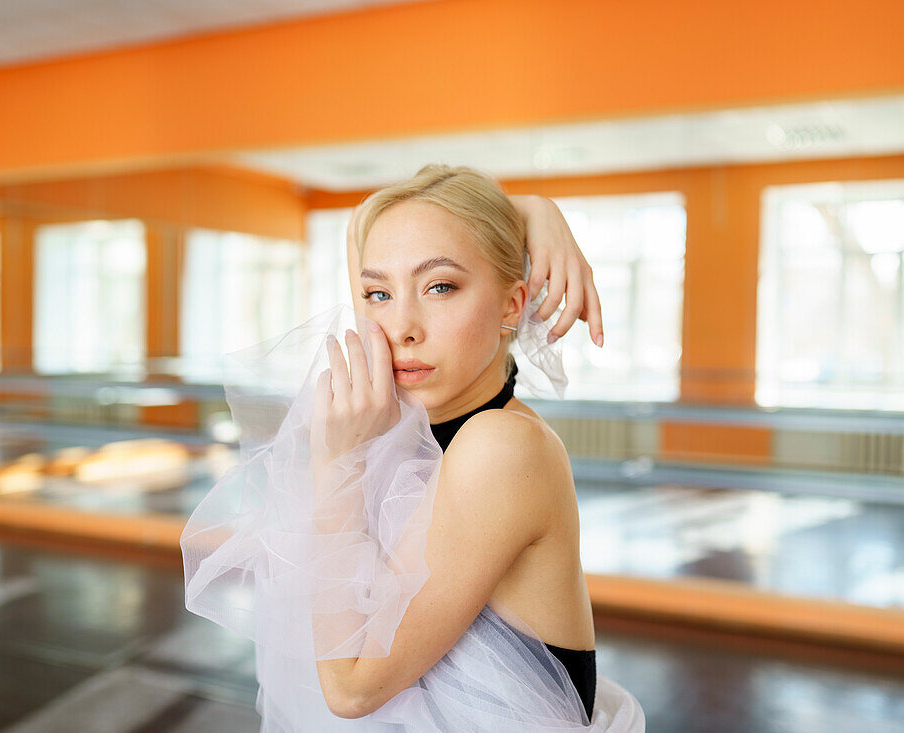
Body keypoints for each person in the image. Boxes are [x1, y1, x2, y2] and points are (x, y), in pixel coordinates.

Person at [181, 164, 645, 731]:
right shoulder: (415, 422)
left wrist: (335, 459)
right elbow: (362, 225)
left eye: (440, 286)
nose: (400, 326)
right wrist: (531, 208)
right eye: (378, 293)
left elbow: (352, 688)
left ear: (510, 305)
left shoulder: (501, 445)